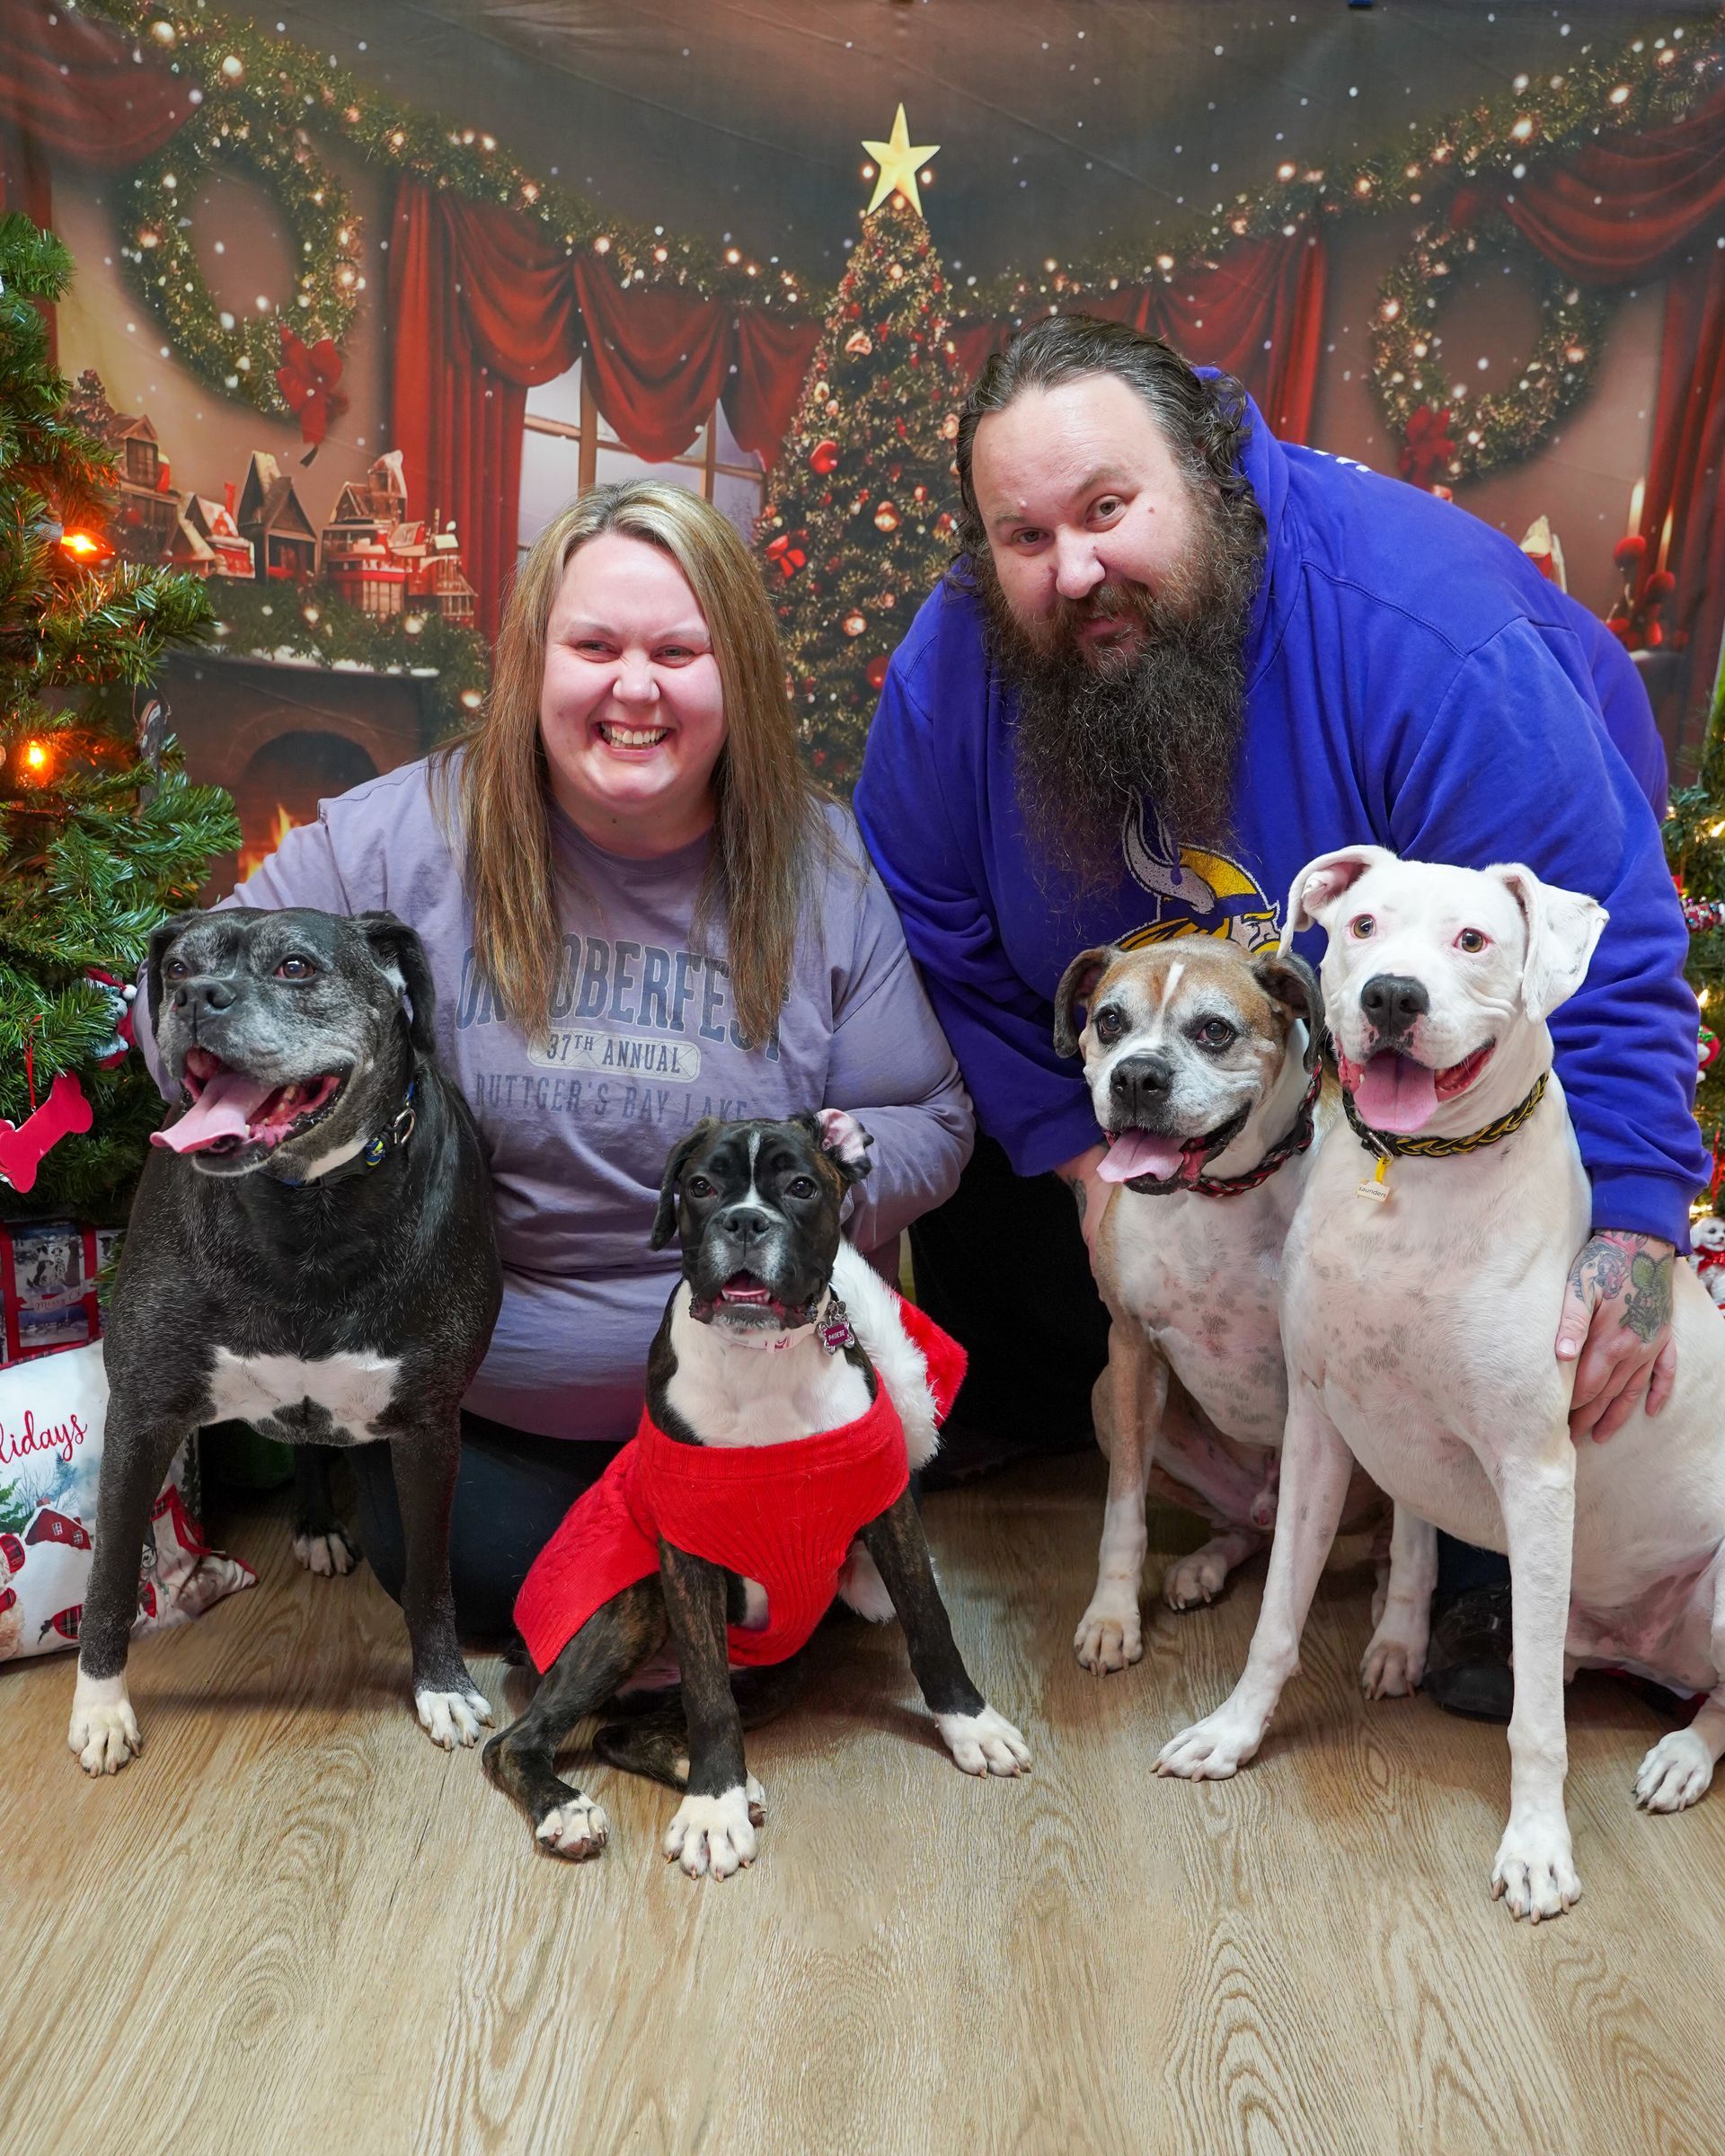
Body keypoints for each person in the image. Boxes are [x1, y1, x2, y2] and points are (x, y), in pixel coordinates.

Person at [854, 314, 1708, 1718]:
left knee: (1504, 1292)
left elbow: (1589, 943)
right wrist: (1082, 1161)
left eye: (1109, 509)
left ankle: (1471, 1546)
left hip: (1420, 1075)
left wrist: (1627, 1219)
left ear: (1206, 473)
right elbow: (936, 931)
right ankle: (1050, 1411)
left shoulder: (1424, 631)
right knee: (998, 1153)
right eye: (1025, 536)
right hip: (1140, 1084)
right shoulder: (955, 667)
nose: (1074, 569)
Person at [194, 482, 973, 1636]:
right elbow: (202, 1002)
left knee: (762, 1610)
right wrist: (285, 1117)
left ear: (737, 674)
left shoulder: (820, 865)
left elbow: (932, 1121)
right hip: (490, 1408)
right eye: (595, 646)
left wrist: (823, 1179)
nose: (635, 687)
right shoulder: (395, 840)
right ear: (532, 662)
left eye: (678, 651)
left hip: (761, 1399)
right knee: (517, 1591)